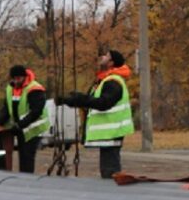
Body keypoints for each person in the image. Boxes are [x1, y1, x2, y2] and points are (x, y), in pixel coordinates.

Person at [58, 49, 135, 179]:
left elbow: (103, 103)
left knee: (110, 172)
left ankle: (111, 195)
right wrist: (70, 100)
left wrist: (80, 98)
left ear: (111, 63)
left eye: (106, 56)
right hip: (110, 132)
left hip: (112, 132)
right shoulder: (105, 80)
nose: (102, 56)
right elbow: (91, 101)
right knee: (108, 170)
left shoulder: (113, 82)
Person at [0, 65, 50, 173]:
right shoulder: (10, 88)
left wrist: (20, 125)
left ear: (24, 77)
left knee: (26, 155)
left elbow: (36, 112)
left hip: (33, 128)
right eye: (14, 78)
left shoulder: (34, 89)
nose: (16, 81)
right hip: (20, 127)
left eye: (19, 78)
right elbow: (7, 107)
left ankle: (26, 178)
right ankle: (0, 163)